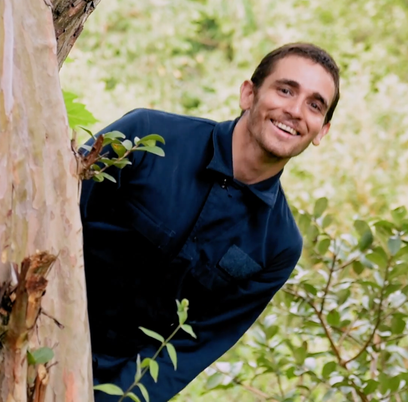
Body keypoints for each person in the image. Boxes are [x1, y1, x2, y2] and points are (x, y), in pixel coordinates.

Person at [80, 42, 340, 402]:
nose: (295, 110)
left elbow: (191, 347)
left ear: (321, 132)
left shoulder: (279, 244)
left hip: (113, 388)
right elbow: (52, 214)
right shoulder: (145, 136)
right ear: (248, 94)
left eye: (314, 105)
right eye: (285, 90)